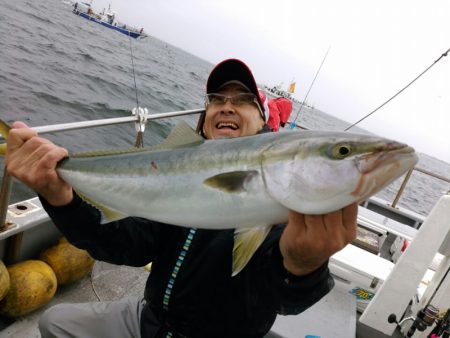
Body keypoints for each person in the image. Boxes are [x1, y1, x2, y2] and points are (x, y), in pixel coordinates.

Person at [5, 58, 357, 338]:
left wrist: (302, 266)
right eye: (216, 100)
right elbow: (126, 244)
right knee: (55, 323)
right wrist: (60, 197)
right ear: (204, 122)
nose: (226, 106)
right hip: (150, 321)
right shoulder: (174, 176)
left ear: (263, 125)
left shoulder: (282, 199)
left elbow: (284, 298)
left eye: (243, 100)